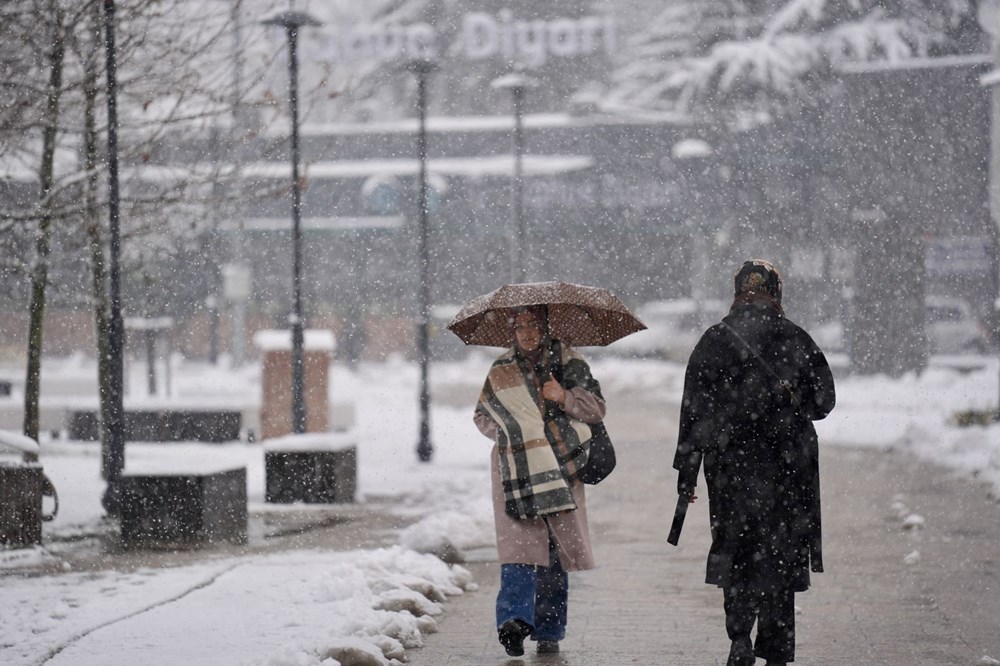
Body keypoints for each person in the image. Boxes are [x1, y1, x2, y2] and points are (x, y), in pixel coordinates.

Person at [672, 260, 836, 666]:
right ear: (776, 294)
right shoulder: (796, 339)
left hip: (730, 468)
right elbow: (823, 403)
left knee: (737, 549)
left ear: (736, 292)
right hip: (786, 467)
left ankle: (740, 637)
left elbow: (693, 412)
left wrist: (687, 472)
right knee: (779, 554)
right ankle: (775, 646)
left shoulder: (714, 340)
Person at [473, 305, 605, 657]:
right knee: (518, 548)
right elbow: (483, 415)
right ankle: (513, 623)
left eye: (533, 325)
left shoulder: (571, 363)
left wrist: (564, 397)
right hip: (515, 470)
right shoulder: (501, 369)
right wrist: (511, 432)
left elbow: (596, 410)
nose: (527, 332)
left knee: (552, 551)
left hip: (561, 468)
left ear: (546, 327)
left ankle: (549, 630)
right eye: (520, 326)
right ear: (512, 331)